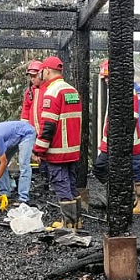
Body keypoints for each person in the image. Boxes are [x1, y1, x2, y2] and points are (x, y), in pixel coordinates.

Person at [92, 59, 140, 214]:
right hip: (114, 143)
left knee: (134, 169)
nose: (106, 81)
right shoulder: (116, 93)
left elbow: (136, 119)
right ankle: (121, 193)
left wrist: (121, 143)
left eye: (108, 77)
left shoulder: (132, 93)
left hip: (129, 143)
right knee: (101, 167)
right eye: (105, 78)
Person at [33, 56, 83, 229]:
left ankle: (68, 226)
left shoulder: (52, 92)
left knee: (61, 185)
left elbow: (48, 126)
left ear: (46, 70)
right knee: (71, 184)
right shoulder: (72, 90)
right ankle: (77, 221)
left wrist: (38, 150)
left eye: (42, 72)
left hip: (57, 152)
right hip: (72, 150)